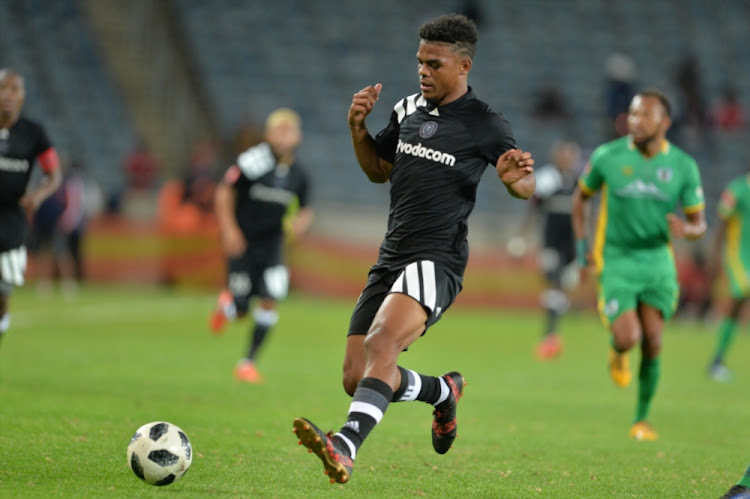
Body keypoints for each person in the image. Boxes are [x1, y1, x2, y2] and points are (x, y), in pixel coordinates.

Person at [292, 14, 535, 484]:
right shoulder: (407, 110)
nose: (423, 71)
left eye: (434, 63)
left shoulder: (486, 124)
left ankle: (344, 446)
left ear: (463, 66)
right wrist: (357, 129)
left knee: (382, 344)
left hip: (437, 258)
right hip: (392, 254)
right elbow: (378, 170)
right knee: (356, 375)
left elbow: (523, 180)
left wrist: (515, 181)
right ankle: (443, 392)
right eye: (419, 61)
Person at [572, 89, 707, 441]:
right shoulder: (607, 156)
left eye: (646, 115)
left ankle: (642, 419)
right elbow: (580, 199)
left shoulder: (682, 165)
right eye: (633, 114)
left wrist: (687, 230)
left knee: (654, 342)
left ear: (665, 122)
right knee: (628, 336)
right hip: (616, 259)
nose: (636, 121)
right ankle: (617, 353)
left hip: (658, 262)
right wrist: (583, 245)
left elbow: (699, 222)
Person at [209, 108, 313, 384]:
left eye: (288, 131)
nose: (283, 137)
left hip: (273, 246)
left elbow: (305, 209)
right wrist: (229, 230)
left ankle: (247, 363)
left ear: (298, 137)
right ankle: (228, 305)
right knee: (242, 308)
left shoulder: (298, 174)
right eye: (278, 130)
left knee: (271, 299)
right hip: (243, 243)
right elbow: (223, 191)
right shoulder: (253, 161)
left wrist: (299, 224)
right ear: (268, 135)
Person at [0, 68, 62, 344]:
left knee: (2, 293)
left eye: (14, 89)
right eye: (3, 88)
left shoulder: (33, 133)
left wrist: (37, 196)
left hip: (11, 222)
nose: (8, 95)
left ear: (23, 96)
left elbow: (54, 174)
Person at [524, 140, 582, 360]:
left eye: (571, 156)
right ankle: (550, 336)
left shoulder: (579, 183)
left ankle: (553, 330)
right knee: (554, 283)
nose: (568, 160)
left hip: (572, 248)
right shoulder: (546, 179)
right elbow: (532, 211)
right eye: (564, 156)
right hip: (551, 244)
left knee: (561, 290)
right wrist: (521, 238)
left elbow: (587, 214)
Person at [704, 173, 750, 382]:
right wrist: (714, 252)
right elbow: (722, 220)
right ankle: (716, 361)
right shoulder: (738, 189)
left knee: (737, 308)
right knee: (740, 297)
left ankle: (717, 361)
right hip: (739, 256)